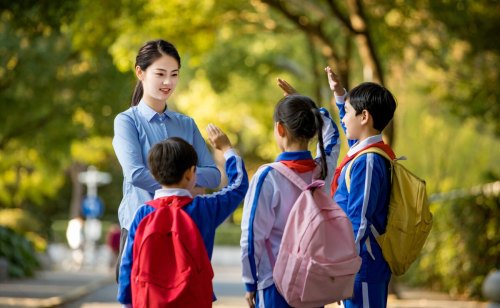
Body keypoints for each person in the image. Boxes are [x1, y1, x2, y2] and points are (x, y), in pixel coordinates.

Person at [112, 39, 221, 279]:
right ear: (140, 72)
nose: (168, 82)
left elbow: (213, 174)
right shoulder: (127, 121)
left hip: (182, 231)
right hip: (140, 229)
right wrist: (186, 181)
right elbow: (135, 174)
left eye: (174, 74)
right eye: (160, 74)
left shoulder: (186, 124)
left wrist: (180, 180)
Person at [117, 124, 249, 306]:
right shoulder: (204, 208)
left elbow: (128, 263)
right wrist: (227, 149)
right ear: (190, 173)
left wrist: (127, 303)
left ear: (155, 174)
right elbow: (238, 186)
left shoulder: (143, 213)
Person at [240, 92, 341, 308]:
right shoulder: (322, 170)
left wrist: (249, 283)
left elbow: (252, 235)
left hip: (274, 284)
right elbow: (333, 135)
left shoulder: (267, 176)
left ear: (280, 129)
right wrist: (312, 108)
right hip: (313, 283)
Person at [326, 66, 397, 308]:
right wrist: (339, 95)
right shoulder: (365, 153)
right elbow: (350, 130)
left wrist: (342, 269)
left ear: (364, 117)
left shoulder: (368, 161)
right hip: (360, 264)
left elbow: (360, 221)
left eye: (346, 112)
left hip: (362, 266)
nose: (343, 119)